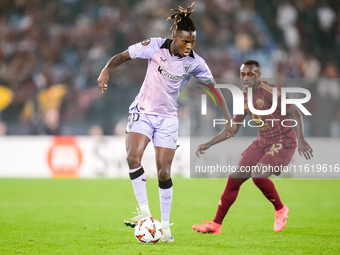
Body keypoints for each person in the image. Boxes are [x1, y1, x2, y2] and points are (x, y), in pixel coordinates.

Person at [97, 3, 234, 243]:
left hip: (168, 118)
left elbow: (213, 89)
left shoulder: (196, 63)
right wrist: (106, 70)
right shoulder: (154, 46)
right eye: (184, 42)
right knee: (132, 157)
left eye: (192, 42)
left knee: (163, 171)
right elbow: (124, 56)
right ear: (174, 37)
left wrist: (227, 117)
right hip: (143, 111)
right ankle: (144, 212)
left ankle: (165, 227)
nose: (188, 46)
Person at [192, 60, 313, 234]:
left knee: (258, 175)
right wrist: (209, 143)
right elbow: (233, 128)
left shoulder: (270, 91)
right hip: (262, 142)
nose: (246, 78)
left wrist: (301, 139)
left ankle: (280, 209)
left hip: (283, 141)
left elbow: (295, 111)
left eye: (250, 74)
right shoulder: (243, 96)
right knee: (234, 178)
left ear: (258, 75)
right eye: (243, 74)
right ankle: (216, 224)